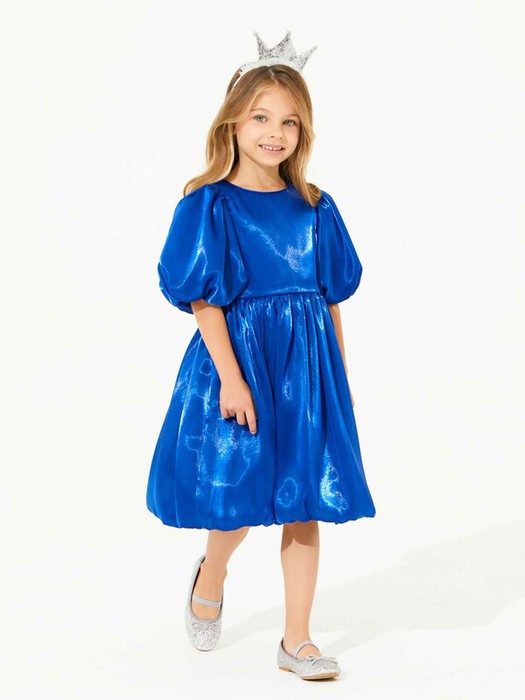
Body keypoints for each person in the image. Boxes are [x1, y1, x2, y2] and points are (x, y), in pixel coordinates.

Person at [146, 30, 376, 681]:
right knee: (239, 494)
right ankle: (212, 572)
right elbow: (204, 299)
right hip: (240, 361)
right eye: (261, 118)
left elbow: (329, 298)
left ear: (303, 132)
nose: (275, 133)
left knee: (305, 498)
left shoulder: (314, 208)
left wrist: (337, 376)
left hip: (305, 369)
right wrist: (231, 378)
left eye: (289, 122)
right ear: (233, 121)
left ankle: (296, 639)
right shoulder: (209, 204)